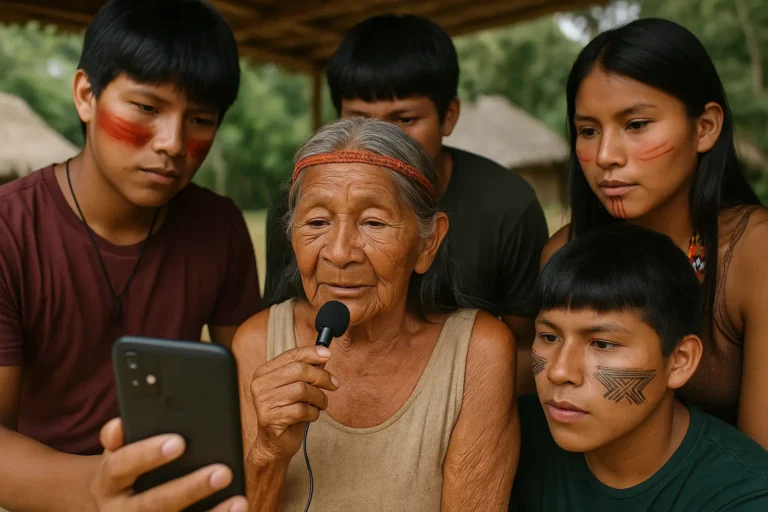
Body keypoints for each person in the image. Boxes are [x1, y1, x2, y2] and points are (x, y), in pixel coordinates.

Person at [0, 1, 258, 510]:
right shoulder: (9, 230)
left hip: (188, 484)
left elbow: (254, 394)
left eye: (201, 119)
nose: (173, 142)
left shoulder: (220, 226)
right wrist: (103, 489)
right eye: (146, 108)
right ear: (85, 95)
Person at [233, 117, 519, 511]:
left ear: (427, 243)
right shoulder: (258, 343)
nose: (339, 252)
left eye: (373, 222)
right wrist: (268, 453)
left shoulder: (478, 352)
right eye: (317, 222)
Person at [263, 14, 549, 393]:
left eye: (405, 119)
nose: (382, 137)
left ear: (449, 116)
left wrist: (423, 402)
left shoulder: (508, 206)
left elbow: (529, 346)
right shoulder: (298, 203)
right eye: (361, 118)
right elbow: (284, 327)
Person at [541, 17, 768, 445]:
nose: (606, 155)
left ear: (705, 128)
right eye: (588, 131)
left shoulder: (754, 253)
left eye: (636, 125)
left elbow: (761, 467)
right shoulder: (564, 252)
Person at [511, 224, 768, 511]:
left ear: (680, 360)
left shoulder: (743, 495)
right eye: (549, 337)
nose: (559, 371)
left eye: (602, 344)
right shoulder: (510, 435)